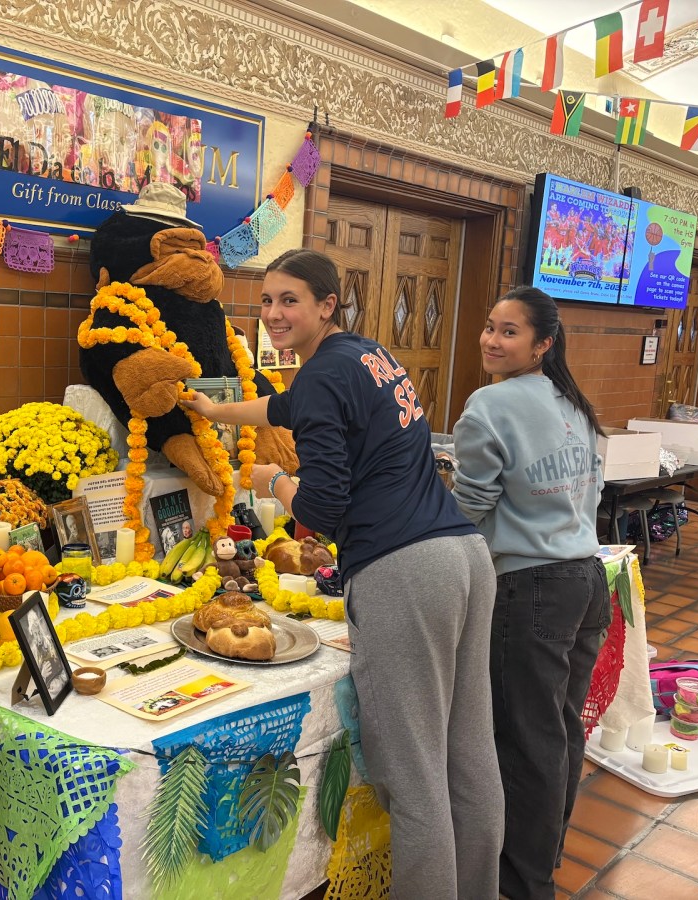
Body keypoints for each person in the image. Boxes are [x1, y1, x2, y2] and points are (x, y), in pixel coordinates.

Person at [183, 248, 502, 898]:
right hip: (463, 554)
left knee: (412, 781)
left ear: (326, 303)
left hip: (403, 568)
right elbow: (285, 408)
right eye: (266, 300)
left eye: (289, 300)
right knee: (469, 754)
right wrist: (215, 414)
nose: (273, 312)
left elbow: (324, 508)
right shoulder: (361, 355)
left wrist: (273, 480)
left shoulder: (323, 375)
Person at [451, 286, 610, 900]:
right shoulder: (574, 403)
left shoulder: (488, 407)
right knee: (561, 729)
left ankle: (521, 884)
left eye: (509, 331)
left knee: (525, 740)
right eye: (490, 327)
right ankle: (545, 856)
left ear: (543, 344)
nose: (492, 339)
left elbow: (470, 508)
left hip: (532, 587)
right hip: (588, 580)